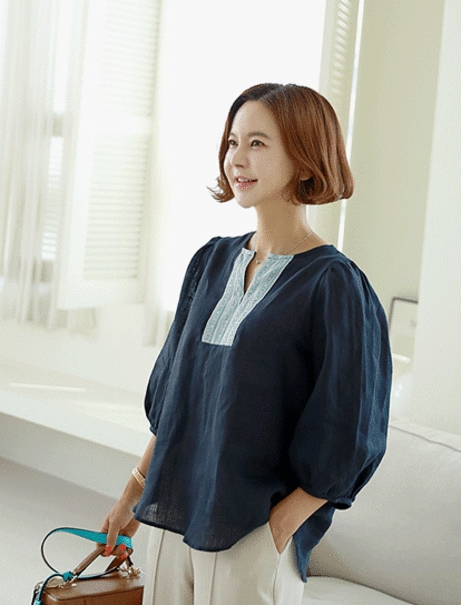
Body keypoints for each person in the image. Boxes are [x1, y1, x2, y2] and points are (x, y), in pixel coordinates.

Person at [100, 83, 392, 605]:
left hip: (252, 532)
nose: (237, 158)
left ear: (304, 157)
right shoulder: (210, 262)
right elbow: (176, 404)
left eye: (257, 143)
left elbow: (350, 432)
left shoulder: (335, 285)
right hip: (171, 517)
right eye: (233, 142)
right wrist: (132, 496)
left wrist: (277, 531)